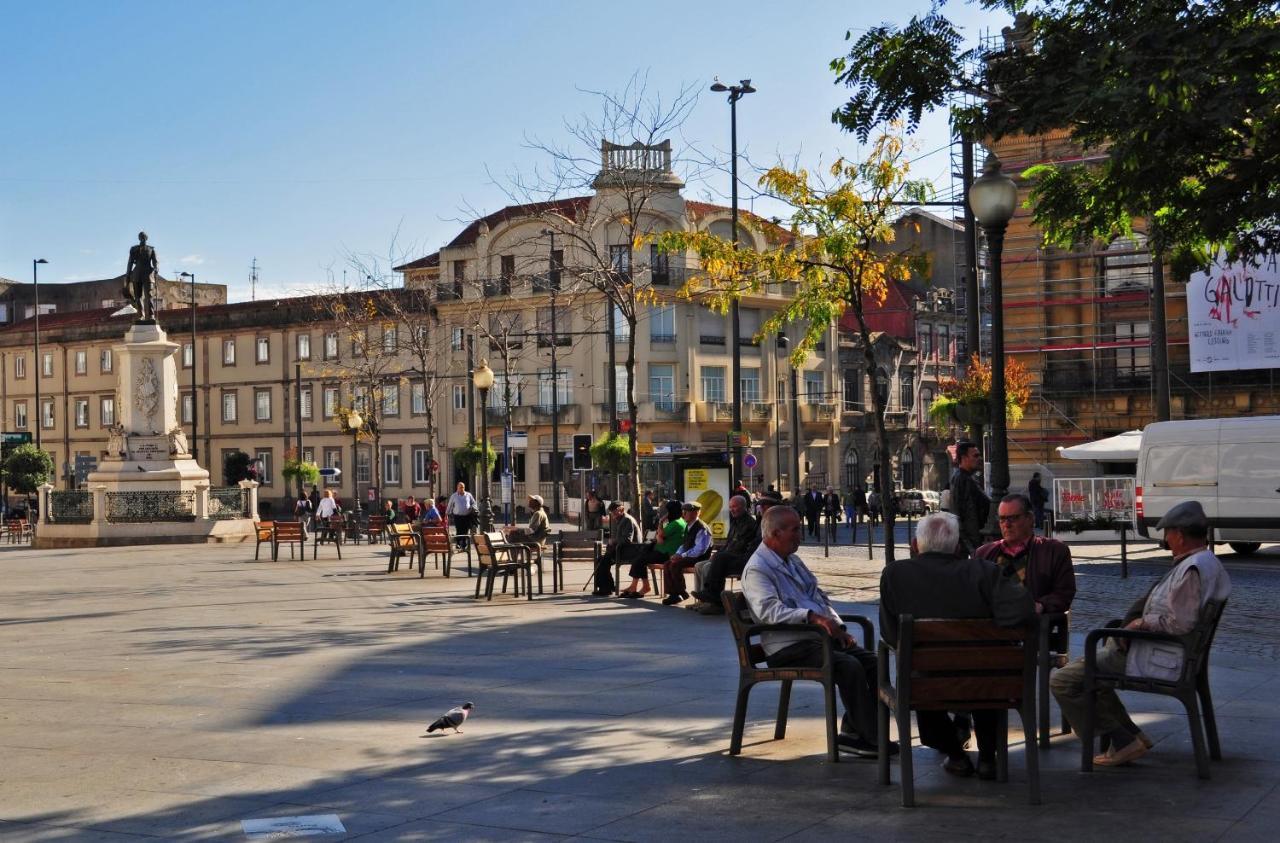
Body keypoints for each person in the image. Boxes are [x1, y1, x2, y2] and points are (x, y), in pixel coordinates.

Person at [1051, 500, 1231, 767]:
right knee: (1088, 669)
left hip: (1162, 656)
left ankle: (1123, 741)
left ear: (1179, 535)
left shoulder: (1192, 568)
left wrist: (1139, 625)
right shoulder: (1204, 562)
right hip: (1169, 653)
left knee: (1064, 680)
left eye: (1168, 533)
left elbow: (1177, 623)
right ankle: (1130, 736)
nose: (1165, 539)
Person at [880, 512, 1036, 779]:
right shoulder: (985, 571)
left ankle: (956, 754)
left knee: (922, 677)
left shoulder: (895, 574)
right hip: (988, 683)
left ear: (916, 545)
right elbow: (1023, 611)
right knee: (985, 675)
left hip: (926, 685)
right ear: (956, 546)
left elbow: (890, 633)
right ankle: (988, 758)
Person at [742, 506, 897, 758]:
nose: (799, 535)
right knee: (849, 666)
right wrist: (813, 618)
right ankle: (870, 738)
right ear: (774, 533)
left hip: (815, 639)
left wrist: (837, 627)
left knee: (873, 662)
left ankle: (854, 729)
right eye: (794, 530)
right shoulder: (758, 568)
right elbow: (769, 612)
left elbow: (818, 597)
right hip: (788, 646)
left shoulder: (792, 560)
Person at [974, 494, 1076, 615]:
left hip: (1036, 627)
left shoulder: (1054, 551)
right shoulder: (984, 553)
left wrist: (1040, 605)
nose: (1006, 524)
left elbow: (1064, 592)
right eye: (1002, 519)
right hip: (993, 627)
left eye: (1013, 518)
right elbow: (974, 594)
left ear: (1030, 518)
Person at [689, 492, 766, 615]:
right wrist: (720, 552)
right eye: (730, 507)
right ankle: (702, 599)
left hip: (737, 558)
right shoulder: (735, 522)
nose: (732, 510)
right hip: (727, 556)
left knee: (708, 566)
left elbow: (739, 546)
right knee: (699, 565)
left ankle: (713, 602)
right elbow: (729, 542)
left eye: (734, 507)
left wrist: (722, 554)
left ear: (743, 507)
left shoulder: (749, 523)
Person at [621, 501, 685, 599]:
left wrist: (660, 522)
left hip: (666, 554)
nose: (666, 513)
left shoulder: (676, 523)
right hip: (663, 551)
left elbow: (660, 537)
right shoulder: (678, 521)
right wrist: (659, 535)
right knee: (640, 558)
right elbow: (660, 536)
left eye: (667, 511)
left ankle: (642, 587)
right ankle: (636, 586)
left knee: (640, 560)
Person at [660, 501, 714, 605]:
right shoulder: (688, 526)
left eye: (687, 512)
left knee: (675, 565)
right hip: (689, 556)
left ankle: (680, 593)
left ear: (696, 513)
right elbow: (684, 545)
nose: (683, 514)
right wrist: (677, 554)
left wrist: (682, 556)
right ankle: (674, 594)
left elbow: (700, 550)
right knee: (667, 564)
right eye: (683, 511)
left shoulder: (702, 528)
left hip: (700, 558)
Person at [948, 440, 991, 554]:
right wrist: (969, 546)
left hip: (973, 540)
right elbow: (958, 513)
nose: (979, 458)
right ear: (964, 457)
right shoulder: (962, 479)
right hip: (970, 543)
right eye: (975, 455)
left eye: (979, 455)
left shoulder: (967, 477)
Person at [594, 500, 641, 596]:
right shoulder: (621, 520)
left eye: (615, 512)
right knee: (601, 559)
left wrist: (614, 541)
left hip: (630, 551)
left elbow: (627, 540)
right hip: (624, 549)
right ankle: (608, 586)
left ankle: (606, 588)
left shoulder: (627, 520)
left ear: (622, 509)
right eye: (612, 513)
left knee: (604, 560)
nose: (613, 515)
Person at [447, 482, 477, 548]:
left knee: (465, 530)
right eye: (460, 487)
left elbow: (474, 503)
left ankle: (464, 544)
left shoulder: (468, 495)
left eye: (463, 487)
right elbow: (450, 505)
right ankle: (458, 543)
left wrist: (473, 508)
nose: (462, 489)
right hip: (457, 516)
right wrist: (447, 514)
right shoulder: (454, 496)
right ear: (457, 488)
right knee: (459, 530)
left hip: (467, 516)